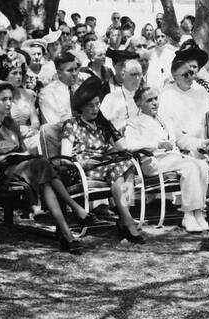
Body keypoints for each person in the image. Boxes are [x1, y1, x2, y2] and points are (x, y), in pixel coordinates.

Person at [0, 80, 90, 253]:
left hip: (23, 166)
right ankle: (76, 210)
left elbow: (22, 149)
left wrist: (22, 154)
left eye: (11, 99)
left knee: (44, 176)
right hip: (0, 171)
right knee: (43, 165)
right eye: (4, 100)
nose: (9, 103)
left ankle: (68, 235)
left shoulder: (12, 124)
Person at [60, 75, 145, 244]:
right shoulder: (72, 124)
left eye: (97, 104)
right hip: (83, 169)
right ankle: (127, 221)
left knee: (126, 164)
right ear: (81, 107)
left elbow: (123, 147)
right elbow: (65, 158)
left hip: (106, 167)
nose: (95, 108)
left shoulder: (101, 126)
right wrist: (83, 163)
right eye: (90, 105)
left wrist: (107, 124)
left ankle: (124, 217)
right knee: (119, 169)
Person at [121, 87, 209, 233]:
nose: (154, 103)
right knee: (189, 166)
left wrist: (201, 143)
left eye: (156, 99)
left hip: (174, 159)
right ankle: (188, 214)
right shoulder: (133, 122)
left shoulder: (166, 120)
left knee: (202, 164)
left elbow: (181, 140)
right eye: (149, 100)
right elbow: (130, 145)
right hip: (153, 162)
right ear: (139, 103)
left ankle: (198, 213)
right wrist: (157, 145)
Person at [158, 45, 209, 155]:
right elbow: (166, 122)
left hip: (202, 142)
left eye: (192, 71)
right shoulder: (167, 93)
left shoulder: (201, 90)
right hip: (178, 144)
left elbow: (208, 116)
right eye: (185, 74)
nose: (189, 76)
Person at [100, 57, 144, 130]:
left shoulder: (145, 95)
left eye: (139, 74)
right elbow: (103, 124)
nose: (137, 78)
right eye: (133, 74)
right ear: (124, 75)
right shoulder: (111, 98)